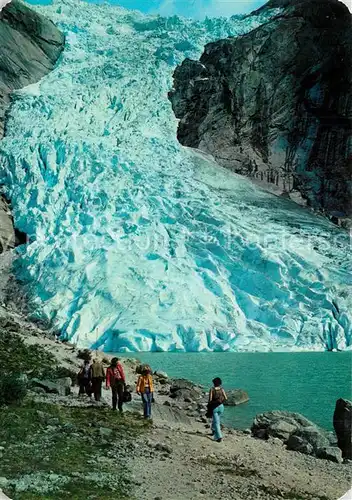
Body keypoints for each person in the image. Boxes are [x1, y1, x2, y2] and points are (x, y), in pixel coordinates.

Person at [208, 377, 227, 442]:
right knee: (216, 419)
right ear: (220, 383)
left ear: (214, 383)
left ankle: (219, 437)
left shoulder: (212, 389)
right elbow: (226, 398)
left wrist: (209, 406)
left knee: (217, 422)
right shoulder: (222, 389)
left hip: (215, 407)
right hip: (221, 407)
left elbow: (210, 400)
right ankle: (213, 430)